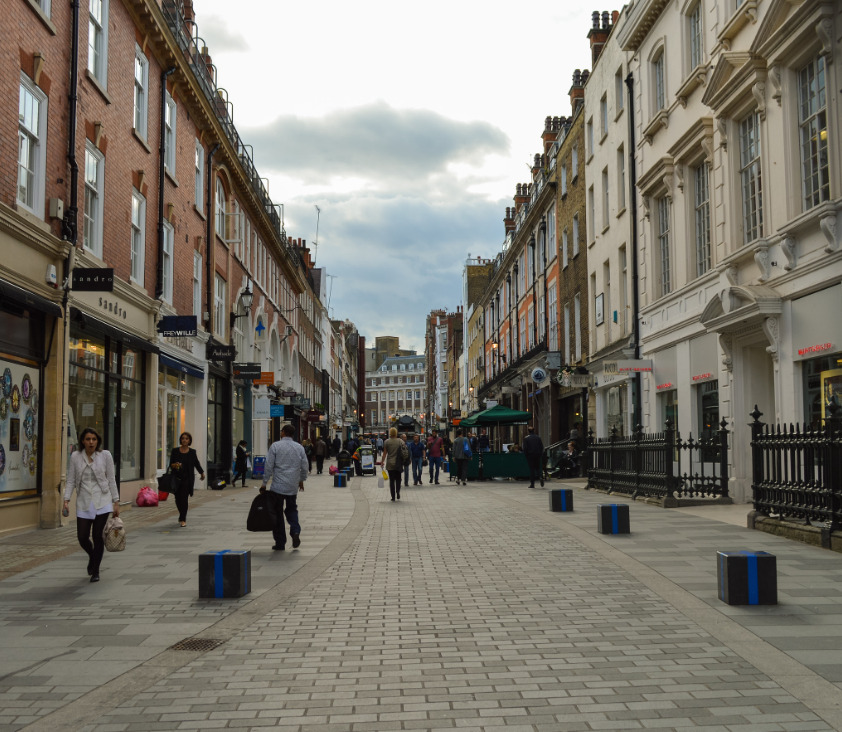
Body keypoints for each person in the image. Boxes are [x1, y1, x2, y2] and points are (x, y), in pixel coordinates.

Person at [63, 427, 120, 583]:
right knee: (82, 537)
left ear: (97, 441)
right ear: (83, 441)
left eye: (94, 439)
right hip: (84, 501)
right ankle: (92, 555)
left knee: (97, 536)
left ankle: (95, 570)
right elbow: (71, 480)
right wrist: (66, 499)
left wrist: (116, 501)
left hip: (102, 500)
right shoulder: (75, 457)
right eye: (88, 439)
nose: (91, 442)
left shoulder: (105, 456)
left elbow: (111, 479)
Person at [262, 423, 308, 551]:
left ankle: (280, 542)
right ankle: (295, 531)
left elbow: (269, 465)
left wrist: (264, 483)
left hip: (278, 486)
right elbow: (304, 466)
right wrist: (301, 480)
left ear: (283, 432)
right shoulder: (299, 447)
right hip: (292, 485)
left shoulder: (275, 446)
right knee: (292, 509)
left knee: (277, 513)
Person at [168, 431, 206, 527]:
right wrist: (176, 465)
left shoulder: (192, 452)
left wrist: (202, 473)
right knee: (177, 498)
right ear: (181, 440)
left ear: (189, 441)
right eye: (183, 438)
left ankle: (183, 518)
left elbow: (196, 463)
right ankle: (181, 514)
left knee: (184, 498)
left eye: (186, 438)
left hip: (187, 479)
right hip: (176, 478)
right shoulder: (175, 451)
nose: (184, 440)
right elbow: (170, 464)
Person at [381, 427, 409, 501]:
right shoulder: (400, 441)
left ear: (390, 433)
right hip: (398, 463)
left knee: (391, 480)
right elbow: (405, 451)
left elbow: (384, 453)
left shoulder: (386, 442)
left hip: (390, 463)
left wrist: (382, 462)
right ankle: (398, 492)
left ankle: (393, 496)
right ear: (396, 433)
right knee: (398, 479)